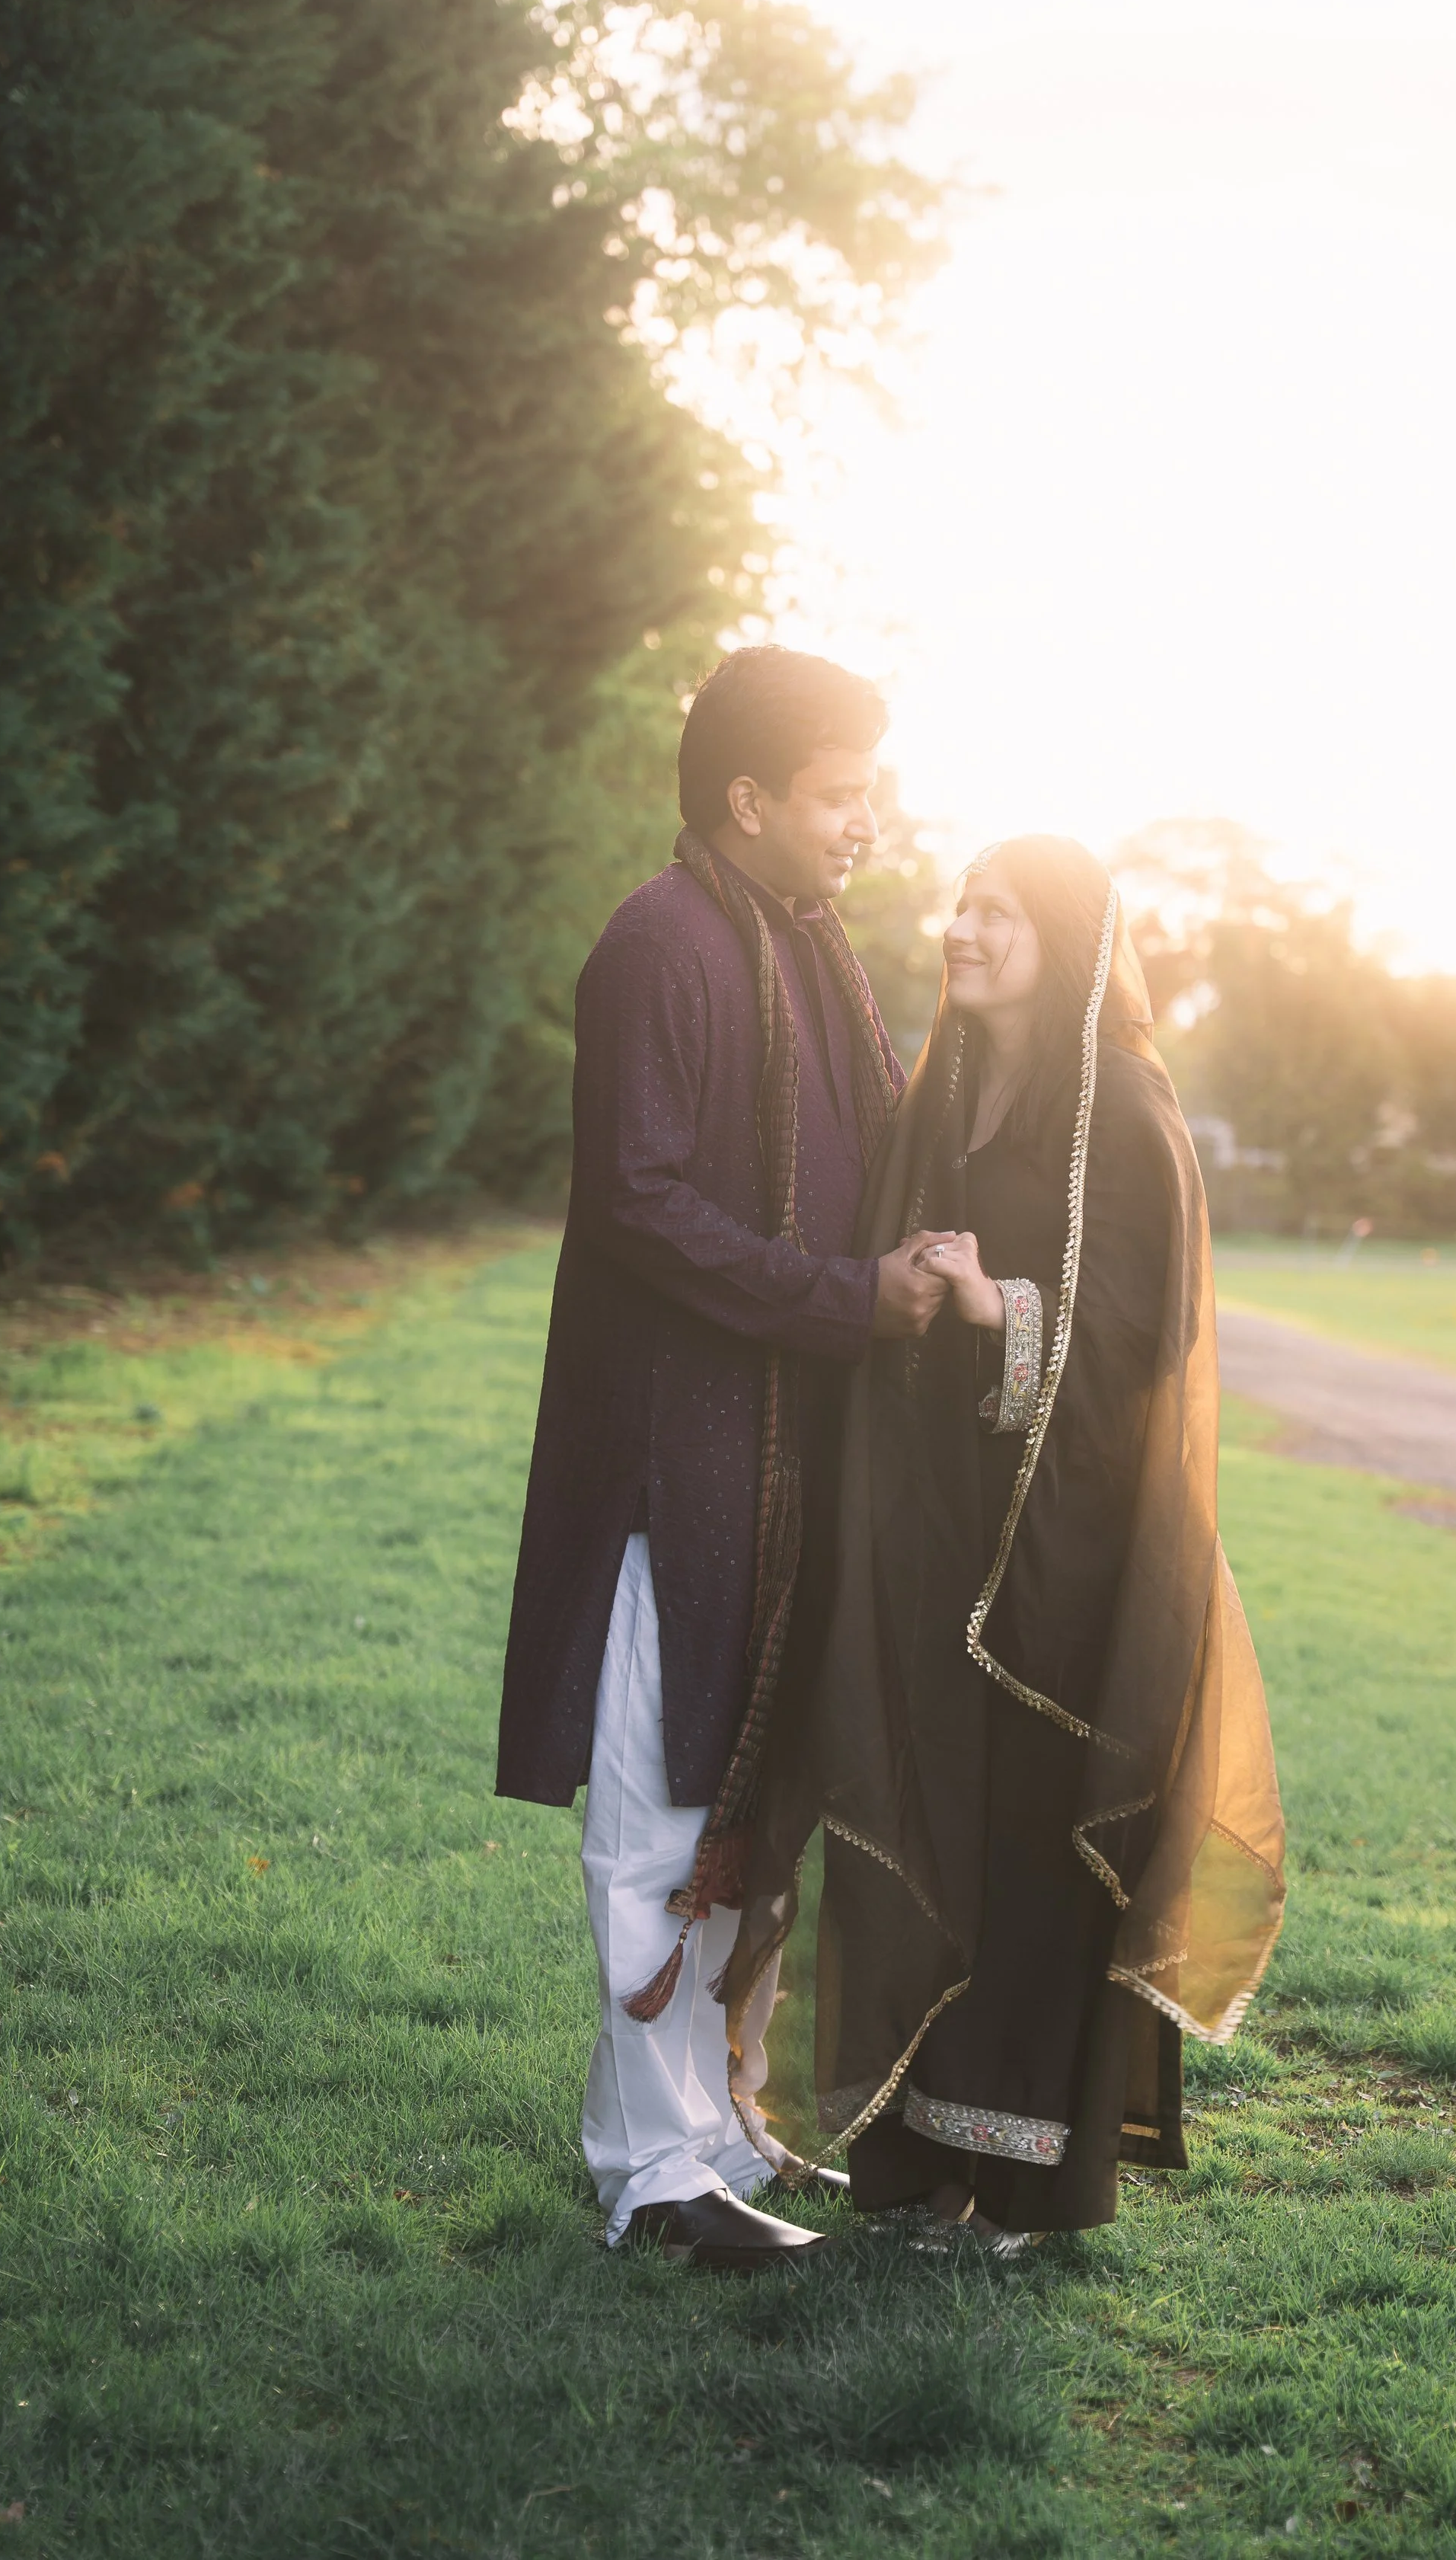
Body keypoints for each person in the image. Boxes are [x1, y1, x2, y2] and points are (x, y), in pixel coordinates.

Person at [722, 836, 1285, 2245]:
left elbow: (1143, 1352)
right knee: (919, 1807)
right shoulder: (949, 1098)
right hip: (935, 1537)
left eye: (997, 913)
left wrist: (997, 1313)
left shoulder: (1134, 1119)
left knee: (1037, 1842)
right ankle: (919, 2159)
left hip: (1065, 1561)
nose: (960, 929)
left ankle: (1029, 2185)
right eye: (960, 903)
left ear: (1071, 942)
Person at [494, 646, 950, 2273]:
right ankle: (651, 2172)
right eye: (842, 794)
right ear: (746, 800)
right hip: (665, 1465)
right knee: (659, 1813)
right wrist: (849, 1302)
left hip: (771, 1454)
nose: (868, 825)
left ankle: (715, 2129)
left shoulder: (807, 950)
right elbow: (637, 1199)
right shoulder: (661, 945)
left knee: (737, 1808)